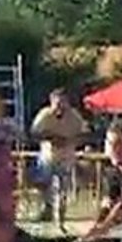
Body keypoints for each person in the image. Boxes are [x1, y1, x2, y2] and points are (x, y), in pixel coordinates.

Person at [30, 89, 87, 231]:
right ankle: (47, 207)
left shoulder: (74, 116)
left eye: (63, 102)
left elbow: (85, 134)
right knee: (41, 183)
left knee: (63, 188)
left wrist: (71, 140)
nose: (60, 106)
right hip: (48, 156)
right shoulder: (45, 115)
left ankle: (60, 220)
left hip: (66, 157)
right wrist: (51, 137)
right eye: (57, 102)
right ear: (51, 102)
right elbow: (34, 133)